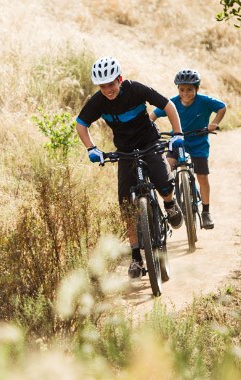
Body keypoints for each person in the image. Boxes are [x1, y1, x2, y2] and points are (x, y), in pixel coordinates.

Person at [75, 56, 184, 279]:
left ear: (120, 80)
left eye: (111, 84)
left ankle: (170, 204)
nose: (107, 90)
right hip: (124, 151)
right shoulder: (98, 101)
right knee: (126, 205)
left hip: (149, 143)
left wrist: (178, 133)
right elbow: (81, 124)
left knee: (164, 183)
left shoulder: (135, 89)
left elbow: (168, 105)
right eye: (102, 86)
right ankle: (136, 257)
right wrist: (91, 149)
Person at [149, 69, 226, 229]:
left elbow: (222, 107)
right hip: (178, 142)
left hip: (199, 142)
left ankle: (206, 212)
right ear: (178, 89)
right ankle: (171, 202)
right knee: (167, 167)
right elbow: (153, 116)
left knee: (202, 176)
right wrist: (149, 130)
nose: (186, 93)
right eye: (182, 89)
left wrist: (214, 123)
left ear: (197, 89)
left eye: (190, 89)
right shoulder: (172, 103)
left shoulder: (204, 101)